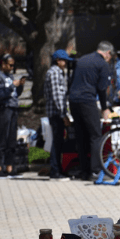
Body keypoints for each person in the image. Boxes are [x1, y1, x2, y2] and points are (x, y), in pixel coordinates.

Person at [68, 41, 113, 181]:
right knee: (95, 135)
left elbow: (71, 81)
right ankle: (96, 170)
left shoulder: (81, 60)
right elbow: (102, 89)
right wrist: (105, 108)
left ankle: (84, 171)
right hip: (87, 100)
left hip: (73, 101)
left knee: (81, 136)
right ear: (107, 53)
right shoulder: (103, 64)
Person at [0, 54, 25, 179]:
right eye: (10, 65)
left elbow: (15, 94)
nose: (12, 67)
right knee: (1, 139)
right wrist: (12, 86)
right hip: (3, 110)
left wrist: (20, 85)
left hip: (13, 109)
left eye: (13, 65)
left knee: (11, 139)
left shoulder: (10, 76)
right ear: (3, 64)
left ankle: (9, 168)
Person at [44, 49, 72, 181]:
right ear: (57, 60)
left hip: (57, 113)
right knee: (56, 142)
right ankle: (55, 172)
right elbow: (57, 96)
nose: (65, 62)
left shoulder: (58, 72)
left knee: (59, 141)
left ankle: (58, 169)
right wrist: (63, 115)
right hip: (56, 113)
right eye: (63, 60)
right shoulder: (54, 73)